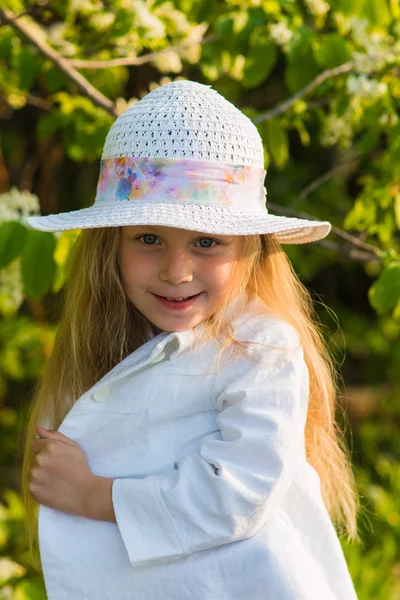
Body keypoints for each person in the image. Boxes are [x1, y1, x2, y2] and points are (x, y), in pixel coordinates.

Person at [22, 80, 360, 600]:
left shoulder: (260, 347)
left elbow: (234, 494)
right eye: (148, 238)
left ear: (251, 247)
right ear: (110, 246)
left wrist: (95, 496)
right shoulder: (110, 345)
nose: (176, 271)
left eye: (207, 242)